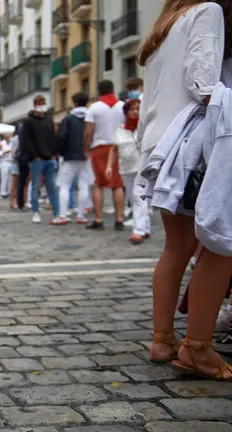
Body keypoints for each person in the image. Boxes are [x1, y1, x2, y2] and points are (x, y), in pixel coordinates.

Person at [138, 0, 231, 379]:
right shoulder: (209, 11)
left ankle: (163, 339)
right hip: (193, 145)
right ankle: (197, 347)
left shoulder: (165, 26)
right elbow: (202, 83)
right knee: (222, 243)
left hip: (163, 143)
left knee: (176, 246)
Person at [84, 80, 126, 230]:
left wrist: (86, 147)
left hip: (100, 147)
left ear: (98, 91)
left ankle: (99, 218)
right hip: (118, 146)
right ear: (113, 89)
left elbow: (88, 131)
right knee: (118, 184)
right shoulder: (122, 106)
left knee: (97, 184)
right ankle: (119, 219)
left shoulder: (94, 107)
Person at [108, 98, 148, 244]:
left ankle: (138, 231)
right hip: (125, 168)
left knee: (138, 197)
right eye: (132, 109)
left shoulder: (144, 127)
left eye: (138, 109)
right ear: (126, 112)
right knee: (133, 197)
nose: (135, 112)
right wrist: (109, 166)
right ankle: (146, 228)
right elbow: (113, 148)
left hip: (141, 167)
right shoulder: (120, 129)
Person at [19, 95, 63, 224]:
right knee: (36, 185)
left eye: (44, 103)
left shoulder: (49, 120)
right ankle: (35, 211)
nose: (43, 105)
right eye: (40, 103)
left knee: (52, 186)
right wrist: (34, 155)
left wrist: (54, 153)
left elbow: (53, 137)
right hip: (36, 159)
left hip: (50, 157)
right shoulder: (28, 121)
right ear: (35, 105)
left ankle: (56, 212)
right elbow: (26, 140)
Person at [57, 92, 91, 224]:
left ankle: (63, 215)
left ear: (74, 103)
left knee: (65, 186)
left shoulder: (68, 119)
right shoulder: (90, 116)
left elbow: (62, 137)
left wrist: (61, 152)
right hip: (86, 156)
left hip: (70, 156)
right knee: (84, 185)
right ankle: (81, 215)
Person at [0, 134, 13, 199]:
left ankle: (9, 192)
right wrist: (5, 152)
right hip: (4, 162)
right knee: (4, 177)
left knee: (10, 178)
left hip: (11, 162)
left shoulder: (12, 143)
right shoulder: (1, 143)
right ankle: (3, 192)